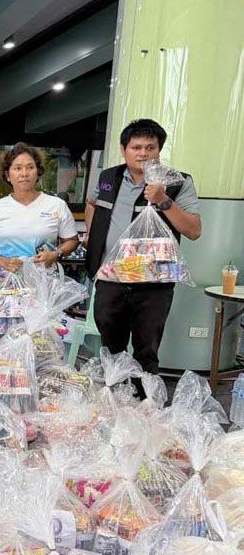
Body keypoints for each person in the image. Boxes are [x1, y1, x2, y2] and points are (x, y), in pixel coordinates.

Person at [84, 118, 201, 378]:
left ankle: (145, 400)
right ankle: (115, 396)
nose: (143, 153)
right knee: (110, 347)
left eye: (150, 147)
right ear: (123, 149)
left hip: (153, 283)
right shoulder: (108, 177)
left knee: (146, 350)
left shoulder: (178, 182)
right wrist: (92, 234)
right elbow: (92, 204)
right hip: (110, 277)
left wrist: (163, 200)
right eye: (136, 147)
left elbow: (193, 230)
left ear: (160, 150)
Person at [0, 142, 80, 312]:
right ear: (7, 175)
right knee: (2, 328)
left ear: (38, 172)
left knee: (41, 328)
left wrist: (55, 254)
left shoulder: (56, 205)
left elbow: (72, 241)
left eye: (30, 167)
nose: (24, 173)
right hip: (3, 282)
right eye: (17, 168)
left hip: (43, 283)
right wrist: (2, 261)